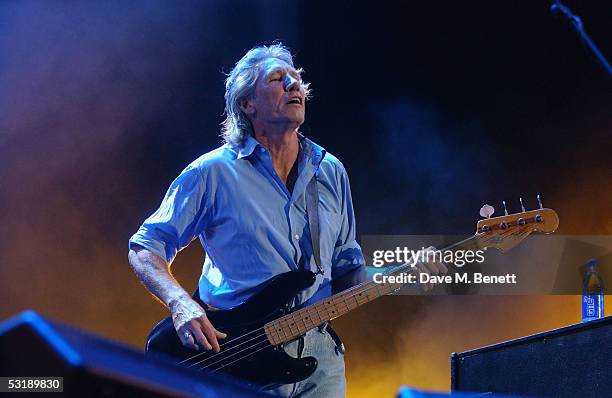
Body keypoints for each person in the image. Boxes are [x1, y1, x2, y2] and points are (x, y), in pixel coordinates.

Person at [128, 43, 446, 397]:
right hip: (237, 357)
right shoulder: (213, 172)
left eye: (297, 78)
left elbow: (346, 273)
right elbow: (145, 247)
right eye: (279, 78)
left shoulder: (331, 172)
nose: (295, 85)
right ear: (247, 104)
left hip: (321, 362)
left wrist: (400, 274)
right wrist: (179, 302)